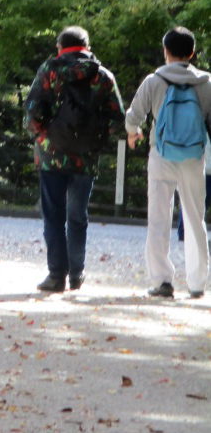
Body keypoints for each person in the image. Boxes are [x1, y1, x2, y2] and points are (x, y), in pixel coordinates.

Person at [24, 25, 124, 292]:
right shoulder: (103, 76)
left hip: (51, 156)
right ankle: (77, 274)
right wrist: (96, 138)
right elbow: (117, 122)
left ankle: (56, 275)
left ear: (60, 47)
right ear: (87, 48)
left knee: (53, 217)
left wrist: (44, 137)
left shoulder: (49, 71)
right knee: (78, 216)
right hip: (86, 158)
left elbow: (32, 113)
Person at [125, 26, 211, 299]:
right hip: (193, 157)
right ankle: (197, 283)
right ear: (192, 53)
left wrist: (133, 133)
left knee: (159, 217)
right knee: (195, 217)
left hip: (161, 154)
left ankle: (162, 281)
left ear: (166, 52)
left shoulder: (154, 80)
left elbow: (133, 115)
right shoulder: (206, 82)